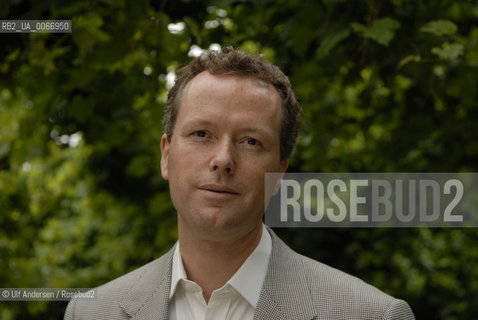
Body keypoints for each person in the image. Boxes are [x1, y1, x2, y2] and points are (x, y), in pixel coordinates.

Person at [64, 47, 415, 320]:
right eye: (202, 134)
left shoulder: (371, 314)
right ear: (166, 155)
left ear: (279, 172)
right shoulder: (92, 312)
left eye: (250, 141)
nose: (223, 160)